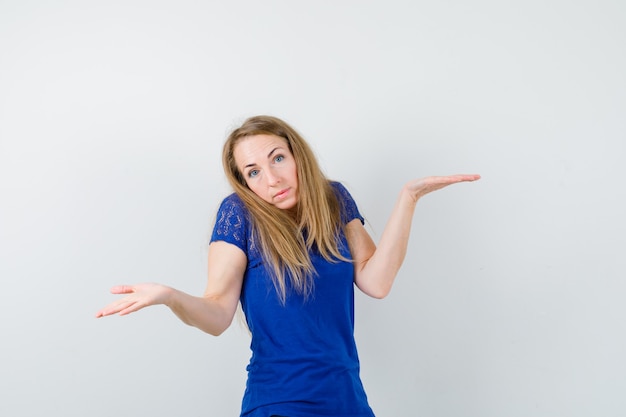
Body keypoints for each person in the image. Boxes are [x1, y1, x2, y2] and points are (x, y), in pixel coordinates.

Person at [96, 115, 480, 417]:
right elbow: (216, 314)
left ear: (297, 154)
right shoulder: (240, 214)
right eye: (253, 172)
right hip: (279, 402)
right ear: (244, 182)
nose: (272, 179)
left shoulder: (333, 199)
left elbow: (377, 281)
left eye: (277, 158)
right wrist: (169, 296)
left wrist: (408, 198)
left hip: (347, 400)